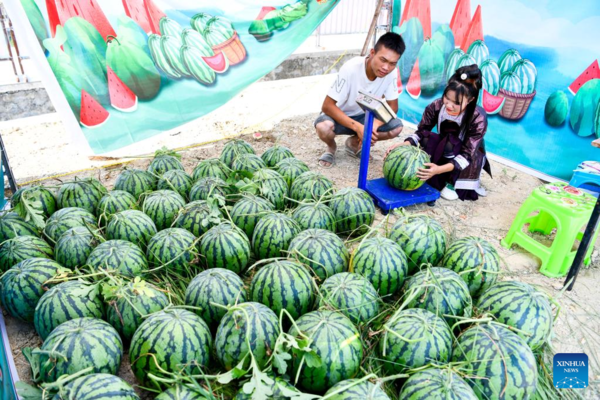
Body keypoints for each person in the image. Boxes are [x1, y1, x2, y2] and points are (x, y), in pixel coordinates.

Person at [386, 64, 491, 201]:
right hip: (446, 146)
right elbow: (423, 131)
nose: (448, 105)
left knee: (452, 144)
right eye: (447, 98)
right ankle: (435, 173)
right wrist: (405, 144)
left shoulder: (478, 117)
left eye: (456, 103)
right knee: (427, 139)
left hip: (467, 156)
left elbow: (467, 154)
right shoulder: (436, 105)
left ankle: (451, 184)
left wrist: (438, 170)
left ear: (470, 100)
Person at [315, 32, 406, 168]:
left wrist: (374, 125)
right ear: (372, 52)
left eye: (392, 63)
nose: (386, 68)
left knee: (396, 128)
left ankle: (353, 143)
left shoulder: (391, 73)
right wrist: (359, 127)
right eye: (383, 60)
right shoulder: (351, 68)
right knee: (323, 127)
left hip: (364, 117)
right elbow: (327, 106)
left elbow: (393, 107)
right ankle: (331, 147)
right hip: (340, 116)